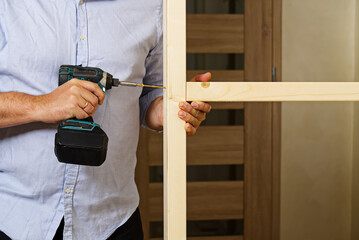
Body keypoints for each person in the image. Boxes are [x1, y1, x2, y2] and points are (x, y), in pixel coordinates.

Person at [0, 1, 211, 240]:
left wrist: (172, 111)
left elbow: (151, 94)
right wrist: (41, 105)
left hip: (112, 222)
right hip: (15, 217)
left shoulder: (152, 7)